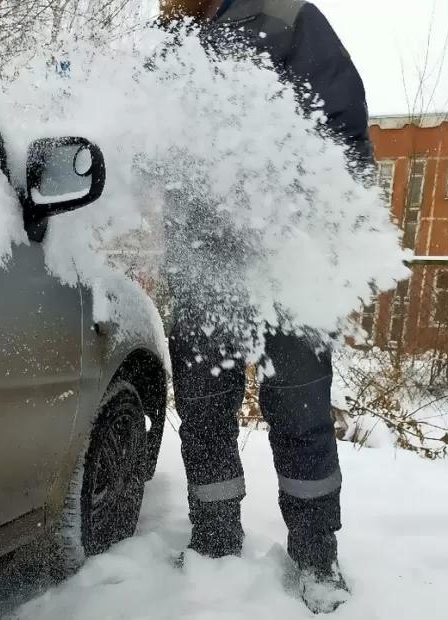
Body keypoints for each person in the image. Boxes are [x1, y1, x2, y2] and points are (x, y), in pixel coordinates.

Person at [156, 0, 374, 613]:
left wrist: (327, 225)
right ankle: (216, 542)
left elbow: (341, 124)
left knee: (299, 408)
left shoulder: (284, 15)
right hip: (201, 263)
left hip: (288, 260)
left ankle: (315, 555)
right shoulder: (170, 40)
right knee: (203, 412)